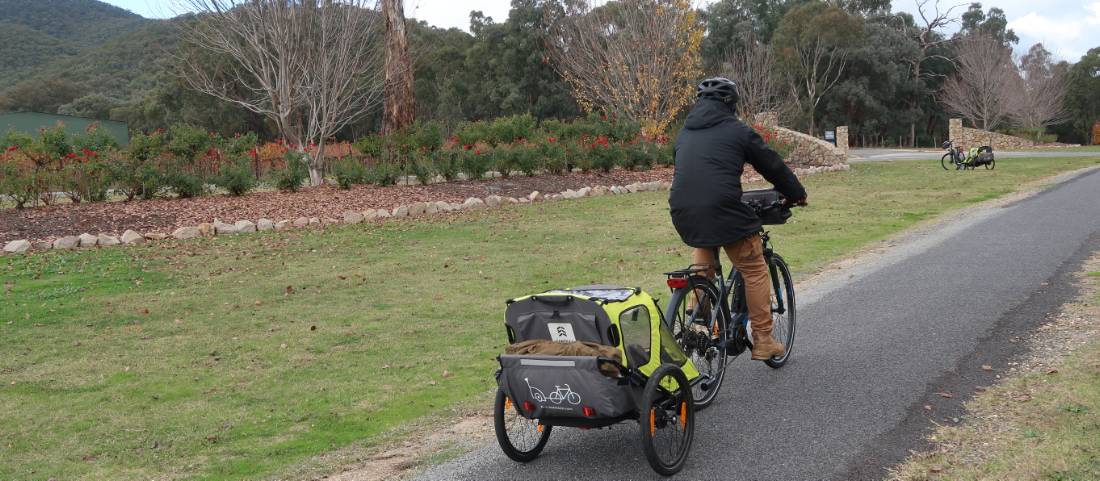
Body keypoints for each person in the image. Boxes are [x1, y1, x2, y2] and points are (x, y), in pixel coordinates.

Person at [668, 77, 807, 361]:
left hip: (683, 211)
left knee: (702, 265)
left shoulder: (684, 133)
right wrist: (797, 193)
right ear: (730, 104)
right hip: (724, 210)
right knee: (754, 269)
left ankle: (701, 323)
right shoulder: (737, 130)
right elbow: (773, 165)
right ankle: (764, 341)